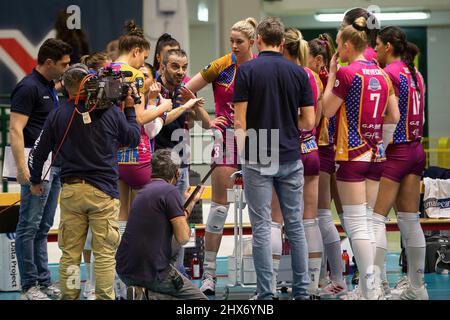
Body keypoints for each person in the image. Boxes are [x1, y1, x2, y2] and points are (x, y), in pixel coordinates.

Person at [28, 63, 141, 300]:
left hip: (71, 193)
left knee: (70, 254)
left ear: (67, 89)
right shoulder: (111, 112)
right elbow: (132, 139)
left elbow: (37, 154)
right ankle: (104, 297)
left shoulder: (58, 114)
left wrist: (36, 180)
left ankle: (69, 296)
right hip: (104, 194)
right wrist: (130, 109)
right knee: (104, 255)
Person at [234, 17, 315, 300]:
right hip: (291, 155)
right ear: (282, 42)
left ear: (257, 40)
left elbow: (240, 122)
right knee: (295, 226)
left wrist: (242, 153)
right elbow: (308, 122)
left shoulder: (246, 71)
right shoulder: (300, 74)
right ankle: (302, 291)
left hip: (257, 155)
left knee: (261, 228)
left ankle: (265, 294)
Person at [322, 16, 399, 299]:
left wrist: (331, 75)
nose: (338, 51)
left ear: (346, 45)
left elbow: (327, 110)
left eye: (339, 45)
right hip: (376, 153)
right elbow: (394, 115)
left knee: (355, 224)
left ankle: (368, 289)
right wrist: (377, 136)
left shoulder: (347, 73)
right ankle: (374, 285)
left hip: (351, 153)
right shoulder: (381, 73)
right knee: (369, 220)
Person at [183, 17, 258, 296]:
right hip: (227, 139)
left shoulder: (260, 65)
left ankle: (264, 273)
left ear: (252, 42)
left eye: (240, 41)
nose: (235, 46)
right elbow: (187, 90)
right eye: (232, 41)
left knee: (259, 209)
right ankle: (210, 274)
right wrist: (208, 119)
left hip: (257, 140)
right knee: (218, 209)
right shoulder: (221, 65)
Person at [9, 38, 71, 300]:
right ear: (49, 63)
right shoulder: (28, 88)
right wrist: (24, 169)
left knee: (44, 226)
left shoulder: (50, 87)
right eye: (64, 64)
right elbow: (15, 129)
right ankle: (29, 285)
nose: (67, 68)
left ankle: (43, 281)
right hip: (36, 166)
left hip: (53, 165)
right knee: (29, 226)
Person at [373, 26, 428, 300]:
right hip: (416, 149)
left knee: (375, 219)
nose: (375, 50)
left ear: (388, 47)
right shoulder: (415, 73)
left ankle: (374, 288)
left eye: (378, 45)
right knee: (410, 221)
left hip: (396, 150)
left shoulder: (389, 74)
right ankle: (417, 287)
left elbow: (387, 115)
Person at [116, 149, 207, 300]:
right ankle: (148, 296)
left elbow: (174, 219)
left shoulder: (144, 191)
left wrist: (190, 203)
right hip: (152, 272)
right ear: (177, 173)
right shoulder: (170, 191)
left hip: (125, 270)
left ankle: (142, 294)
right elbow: (183, 237)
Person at [278, 27, 325, 298]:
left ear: (284, 47)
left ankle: (270, 283)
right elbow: (314, 120)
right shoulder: (312, 76)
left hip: (287, 150)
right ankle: (313, 282)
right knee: (309, 219)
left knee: (274, 222)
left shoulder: (282, 74)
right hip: (311, 150)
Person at [308, 34, 347, 297]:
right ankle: (329, 277)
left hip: (323, 150)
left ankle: (335, 279)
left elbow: (318, 117)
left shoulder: (319, 79)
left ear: (319, 59)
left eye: (304, 58)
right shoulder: (332, 76)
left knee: (321, 217)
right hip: (336, 150)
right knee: (346, 218)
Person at [78, 52, 112, 300]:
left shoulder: (112, 103)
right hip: (84, 174)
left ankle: (103, 287)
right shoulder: (79, 105)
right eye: (105, 73)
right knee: (87, 236)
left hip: (105, 174)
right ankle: (88, 284)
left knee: (103, 238)